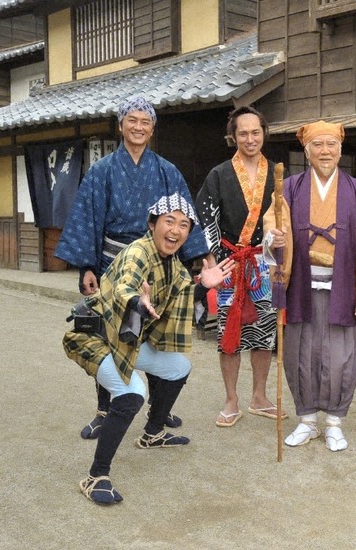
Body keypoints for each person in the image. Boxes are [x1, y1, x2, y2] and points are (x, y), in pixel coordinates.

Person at [63, 193, 235, 505]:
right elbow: (126, 283)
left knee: (179, 367)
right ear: (152, 224)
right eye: (169, 221)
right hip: (96, 338)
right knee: (132, 393)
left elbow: (183, 296)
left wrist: (204, 286)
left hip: (126, 342)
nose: (176, 230)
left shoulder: (175, 267)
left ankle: (153, 432)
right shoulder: (137, 252)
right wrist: (135, 300)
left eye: (184, 225)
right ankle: (95, 476)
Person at [55, 96, 209, 439]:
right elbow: (87, 218)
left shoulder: (167, 171)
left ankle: (158, 408)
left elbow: (183, 222)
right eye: (132, 120)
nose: (138, 127)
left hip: (158, 265)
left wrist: (193, 261)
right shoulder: (102, 171)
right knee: (108, 336)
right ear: (121, 125)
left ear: (152, 129)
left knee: (156, 336)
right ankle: (104, 409)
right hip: (114, 262)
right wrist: (87, 267)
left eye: (145, 122)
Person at [263, 121, 356, 451]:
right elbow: (272, 226)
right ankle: (307, 420)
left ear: (340, 148)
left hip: (342, 287)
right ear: (306, 151)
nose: (325, 151)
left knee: (340, 357)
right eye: (317, 145)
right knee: (300, 354)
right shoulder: (290, 190)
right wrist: (274, 238)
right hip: (301, 285)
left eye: (331, 145)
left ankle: (335, 421)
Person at [195, 106, 287, 428]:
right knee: (229, 334)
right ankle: (231, 399)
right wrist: (211, 265)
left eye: (256, 132)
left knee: (263, 333)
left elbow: (285, 215)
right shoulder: (219, 175)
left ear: (264, 134)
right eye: (243, 133)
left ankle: (259, 397)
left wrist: (280, 240)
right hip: (230, 262)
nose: (250, 138)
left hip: (265, 263)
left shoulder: (276, 173)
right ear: (233, 136)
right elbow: (204, 220)